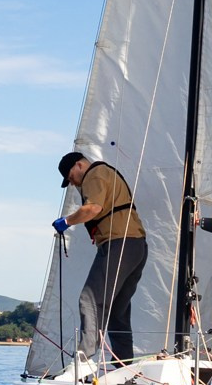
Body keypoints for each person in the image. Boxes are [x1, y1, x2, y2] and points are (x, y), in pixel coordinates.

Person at [56, 150, 147, 363]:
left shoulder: (94, 174)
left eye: (70, 178)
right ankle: (124, 367)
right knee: (117, 311)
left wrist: (66, 221)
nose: (72, 183)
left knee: (89, 299)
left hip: (119, 243)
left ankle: (83, 361)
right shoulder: (106, 173)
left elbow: (93, 208)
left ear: (79, 165)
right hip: (136, 246)